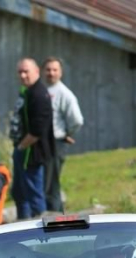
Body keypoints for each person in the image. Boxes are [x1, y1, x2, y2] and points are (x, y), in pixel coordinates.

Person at [9, 58, 55, 220]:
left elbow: (37, 130)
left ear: (36, 72)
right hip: (22, 148)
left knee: (33, 192)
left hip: (32, 152)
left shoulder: (39, 94)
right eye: (20, 72)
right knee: (19, 192)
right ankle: (23, 223)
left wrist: (21, 146)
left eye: (26, 71)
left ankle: (39, 227)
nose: (22, 75)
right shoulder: (27, 91)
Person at [43, 57, 84, 213]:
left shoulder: (64, 93)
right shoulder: (43, 89)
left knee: (52, 183)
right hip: (43, 143)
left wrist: (66, 134)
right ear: (42, 71)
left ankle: (57, 217)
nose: (51, 73)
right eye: (48, 69)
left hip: (56, 142)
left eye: (55, 70)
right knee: (45, 183)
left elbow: (77, 120)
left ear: (61, 72)